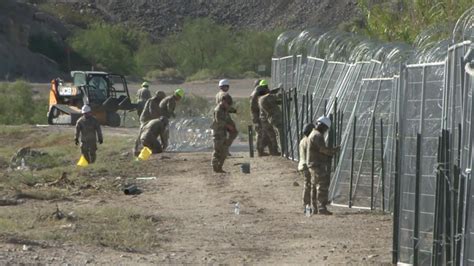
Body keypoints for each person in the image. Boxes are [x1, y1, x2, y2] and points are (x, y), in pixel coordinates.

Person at [307, 116, 340, 215]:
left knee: (314, 186)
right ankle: (321, 207)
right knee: (322, 185)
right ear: (322, 126)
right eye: (325, 128)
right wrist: (333, 151)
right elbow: (322, 149)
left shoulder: (313, 134)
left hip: (313, 163)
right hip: (317, 164)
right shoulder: (317, 135)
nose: (325, 131)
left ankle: (315, 207)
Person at [211, 94, 236, 173]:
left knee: (224, 151)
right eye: (227, 104)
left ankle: (219, 167)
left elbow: (229, 110)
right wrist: (228, 126)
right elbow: (219, 122)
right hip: (217, 133)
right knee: (217, 151)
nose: (228, 105)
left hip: (223, 133)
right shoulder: (218, 110)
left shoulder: (225, 108)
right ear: (223, 101)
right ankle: (215, 167)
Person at [258, 81, 283, 156]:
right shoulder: (266, 97)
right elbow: (277, 96)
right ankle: (280, 150)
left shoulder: (262, 98)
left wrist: (278, 88)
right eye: (266, 88)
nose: (268, 89)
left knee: (271, 135)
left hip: (268, 119)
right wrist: (287, 92)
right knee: (277, 135)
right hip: (273, 118)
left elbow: (273, 99)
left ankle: (272, 151)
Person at [215, 79, 238, 153]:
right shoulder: (225, 95)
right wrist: (234, 111)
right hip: (225, 116)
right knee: (234, 132)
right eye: (227, 86)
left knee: (223, 134)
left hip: (219, 115)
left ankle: (224, 149)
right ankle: (225, 148)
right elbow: (225, 105)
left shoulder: (217, 95)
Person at [250, 79, 270, 156]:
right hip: (256, 115)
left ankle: (260, 150)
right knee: (260, 133)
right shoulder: (257, 93)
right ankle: (260, 151)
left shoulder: (255, 93)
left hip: (256, 115)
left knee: (261, 132)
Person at [299, 123, 315, 214]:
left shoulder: (303, 140)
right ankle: (307, 208)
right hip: (306, 166)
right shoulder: (308, 141)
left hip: (303, 165)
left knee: (307, 185)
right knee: (308, 186)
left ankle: (307, 207)